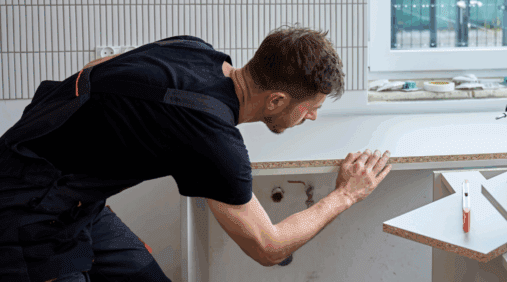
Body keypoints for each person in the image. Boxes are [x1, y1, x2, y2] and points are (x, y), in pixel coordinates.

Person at [0, 24, 393, 282]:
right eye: (310, 107)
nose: (312, 117)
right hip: (26, 213)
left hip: (73, 200)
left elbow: (98, 68)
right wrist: (346, 195)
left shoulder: (197, 51)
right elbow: (268, 248)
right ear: (275, 100)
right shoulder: (213, 138)